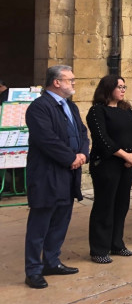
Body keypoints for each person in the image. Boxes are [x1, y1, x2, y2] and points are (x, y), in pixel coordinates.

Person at [23, 65, 89, 289]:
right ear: (56, 82)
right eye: (70, 80)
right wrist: (70, 158)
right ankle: (33, 270)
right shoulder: (39, 107)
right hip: (47, 175)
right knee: (40, 224)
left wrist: (83, 154)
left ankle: (51, 261)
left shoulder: (71, 106)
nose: (74, 83)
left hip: (69, 174)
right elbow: (46, 139)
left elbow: (82, 132)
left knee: (61, 219)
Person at [85, 75, 132, 264]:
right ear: (107, 89)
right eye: (119, 87)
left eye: (124, 86)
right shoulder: (97, 111)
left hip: (127, 164)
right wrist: (125, 155)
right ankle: (99, 248)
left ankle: (117, 243)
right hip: (107, 164)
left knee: (122, 204)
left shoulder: (126, 110)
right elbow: (102, 139)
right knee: (104, 205)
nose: (123, 90)